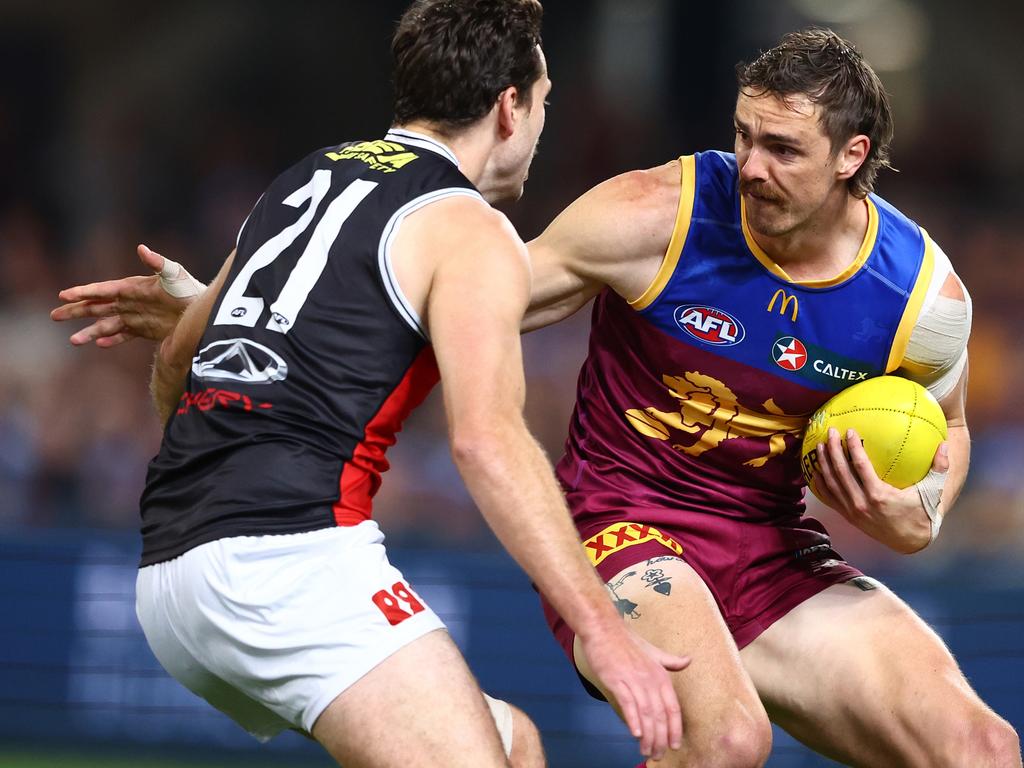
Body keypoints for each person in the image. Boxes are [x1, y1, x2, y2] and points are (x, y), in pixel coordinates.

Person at [54, 27, 1023, 768]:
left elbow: (943, 444)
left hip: (773, 551)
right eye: (742, 136)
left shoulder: (918, 299)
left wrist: (916, 510)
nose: (751, 167)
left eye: (781, 148)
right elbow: (453, 297)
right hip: (624, 531)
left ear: (851, 158)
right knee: (725, 740)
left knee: (981, 748)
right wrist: (236, 313)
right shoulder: (657, 216)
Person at [51, 1, 689, 766]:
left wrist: (204, 325)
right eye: (544, 100)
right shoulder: (470, 225)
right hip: (288, 563)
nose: (543, 124)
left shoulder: (301, 182)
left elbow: (178, 367)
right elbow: (487, 442)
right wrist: (602, 628)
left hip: (168, 575)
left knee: (514, 747)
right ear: (509, 106)